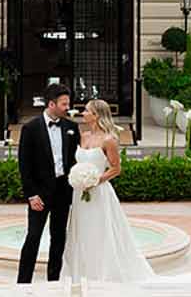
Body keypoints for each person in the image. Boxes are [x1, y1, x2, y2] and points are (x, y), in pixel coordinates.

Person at [62, 98, 154, 284]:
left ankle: (102, 271)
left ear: (96, 115)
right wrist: (79, 179)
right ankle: (82, 270)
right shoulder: (83, 136)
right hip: (79, 193)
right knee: (81, 230)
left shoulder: (109, 140)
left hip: (99, 193)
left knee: (99, 229)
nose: (83, 113)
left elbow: (115, 169)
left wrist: (95, 180)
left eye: (87, 111)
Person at [16, 88, 80, 283]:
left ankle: (53, 281)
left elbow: (74, 160)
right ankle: (23, 282)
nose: (67, 108)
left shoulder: (71, 127)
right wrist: (31, 194)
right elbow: (24, 164)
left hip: (63, 190)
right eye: (64, 104)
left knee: (58, 238)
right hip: (39, 193)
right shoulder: (31, 128)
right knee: (33, 236)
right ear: (51, 104)